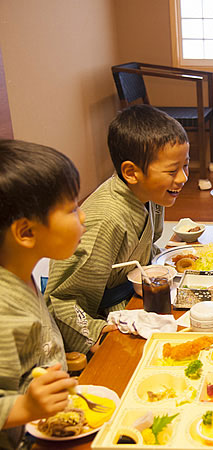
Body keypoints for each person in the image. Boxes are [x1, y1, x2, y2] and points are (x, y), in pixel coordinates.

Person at [45, 104, 190, 355]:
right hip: (107, 320)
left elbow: (142, 248)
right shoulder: (106, 220)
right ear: (131, 172)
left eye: (185, 166)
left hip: (139, 298)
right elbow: (60, 300)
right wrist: (96, 332)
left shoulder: (148, 193)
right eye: (172, 171)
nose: (183, 178)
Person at [0, 140, 82, 448]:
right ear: (26, 232)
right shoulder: (4, 310)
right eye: (73, 208)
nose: (83, 218)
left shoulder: (21, 275)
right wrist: (25, 407)